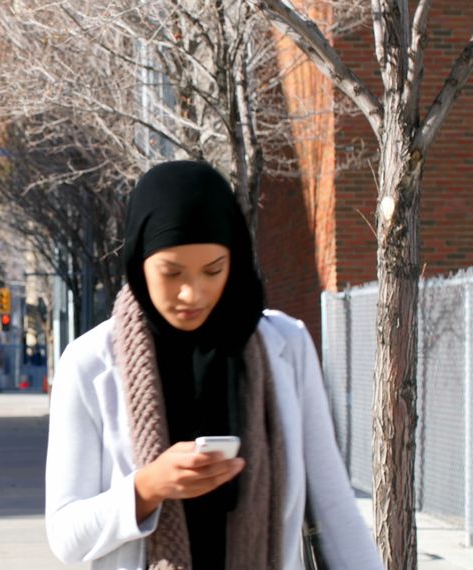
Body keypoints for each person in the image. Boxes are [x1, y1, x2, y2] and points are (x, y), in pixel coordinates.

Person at [45, 161, 382, 569]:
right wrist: (148, 487)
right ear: (139, 260)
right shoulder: (89, 364)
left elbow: (334, 507)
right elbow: (66, 537)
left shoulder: (286, 347)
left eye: (213, 270)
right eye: (171, 272)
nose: (193, 292)